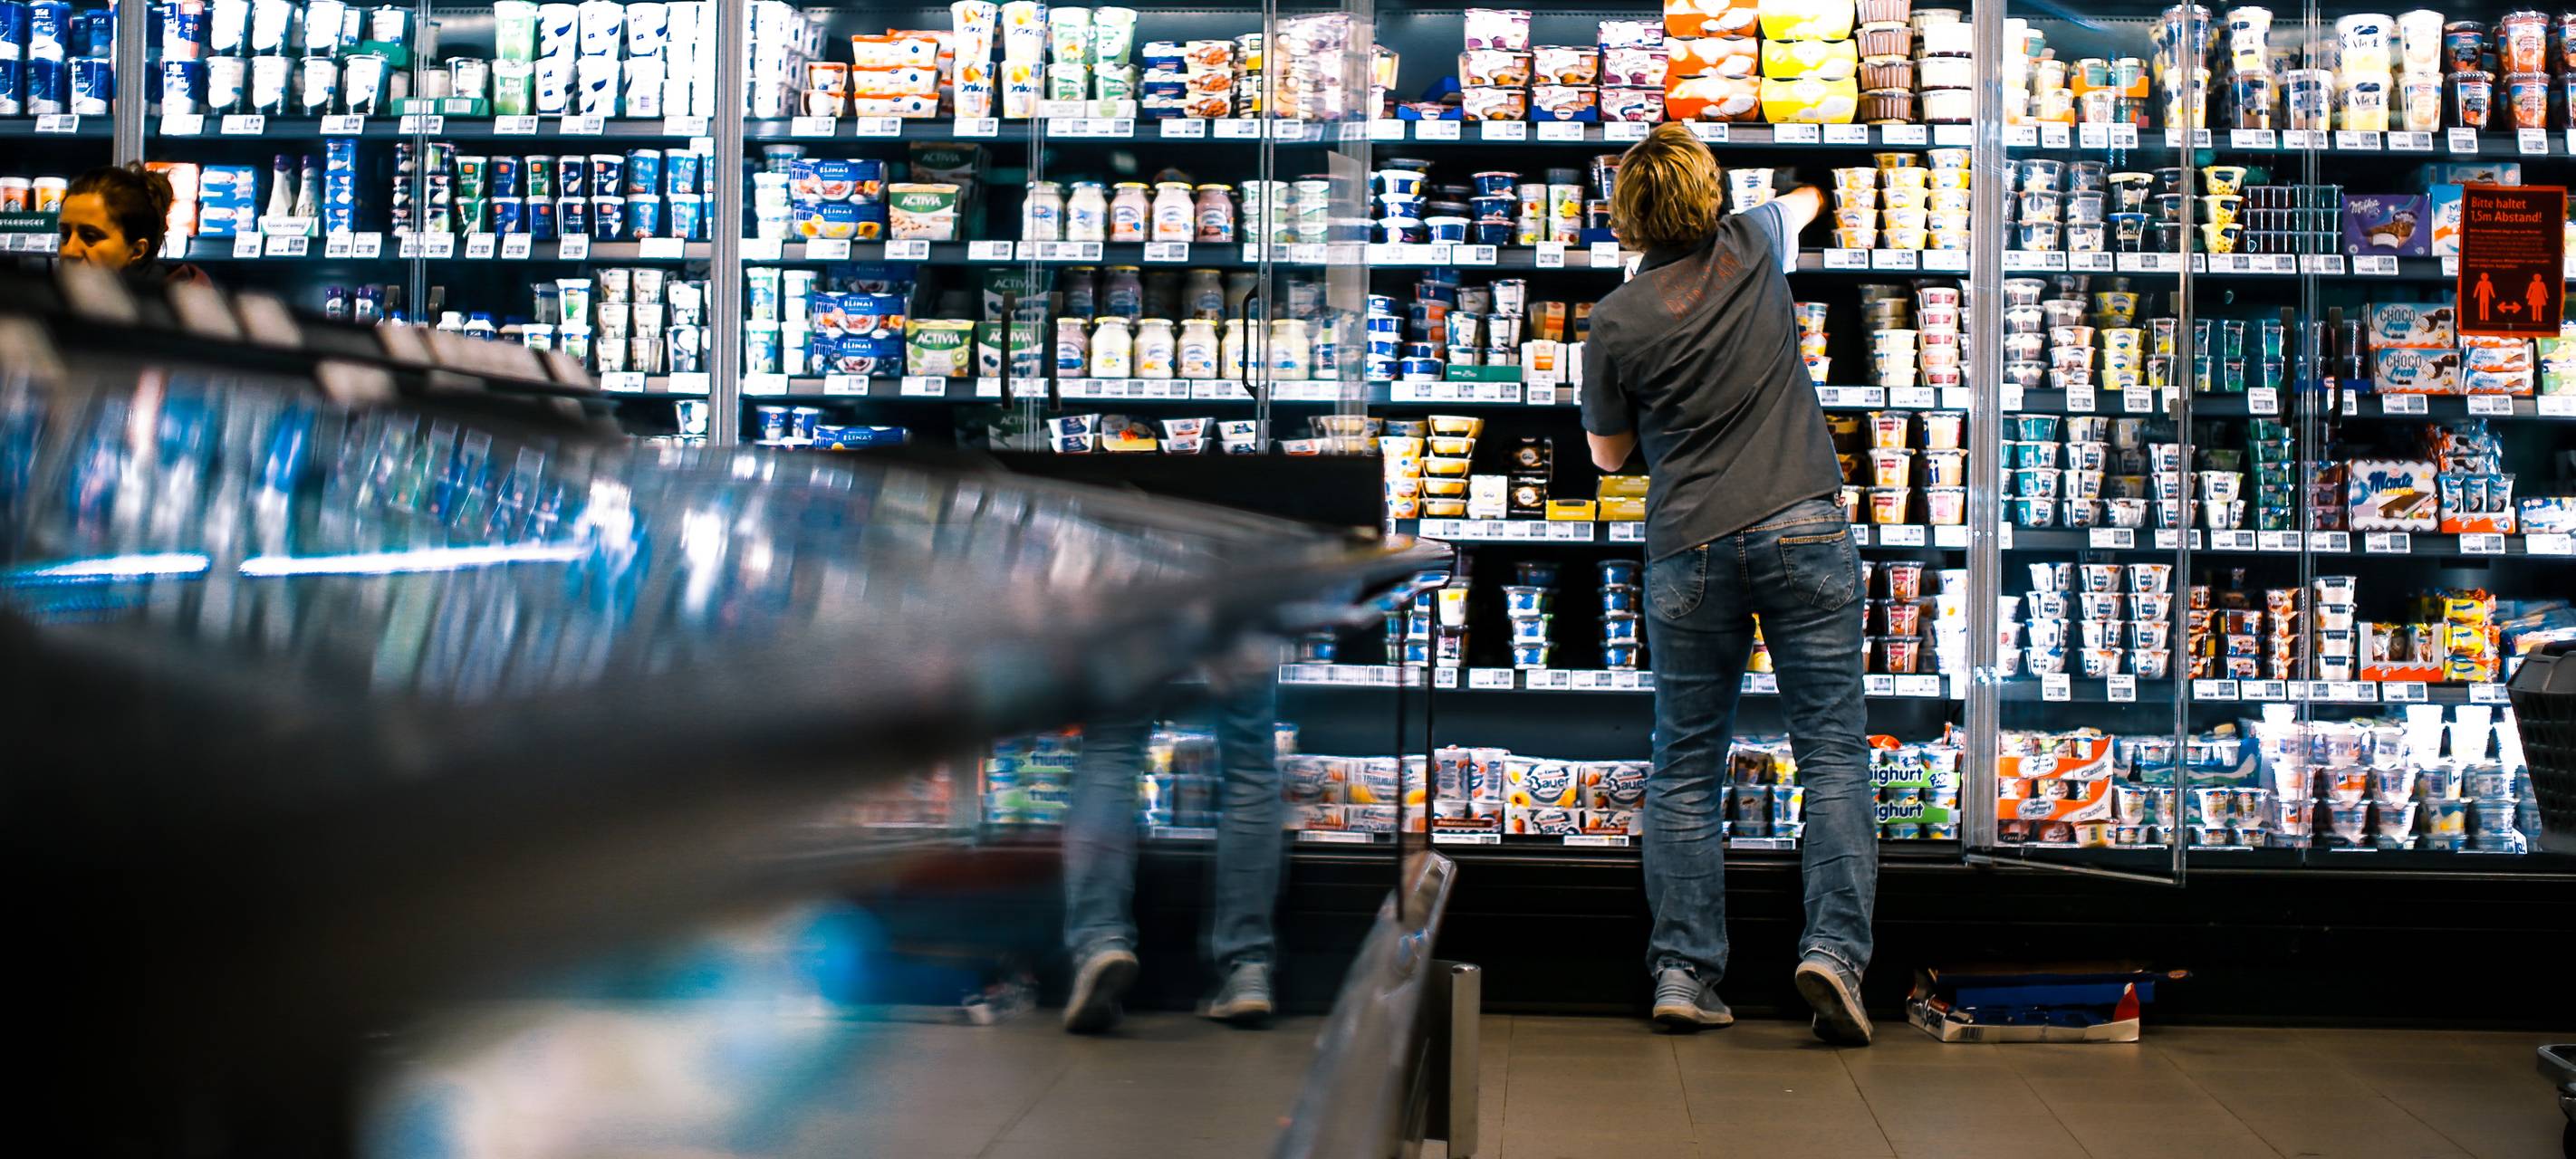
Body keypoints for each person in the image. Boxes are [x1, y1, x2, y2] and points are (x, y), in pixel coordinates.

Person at [1579, 123, 1875, 1045]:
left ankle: (1685, 971)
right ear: (1709, 199)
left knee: (1686, 762)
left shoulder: (1615, 320)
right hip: (1804, 520)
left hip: (1690, 543)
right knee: (1830, 749)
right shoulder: (1754, 240)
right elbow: (1810, 199)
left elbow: (1607, 455)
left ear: (1627, 218)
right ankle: (1832, 953)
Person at [1060, 664, 1283, 1033]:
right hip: (1239, 610)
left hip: (1130, 609)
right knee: (1250, 765)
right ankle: (1247, 968)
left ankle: (1099, 944)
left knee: (1111, 751)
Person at [58, 164, 212, 286]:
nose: (69, 251)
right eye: (65, 235)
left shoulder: (182, 317)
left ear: (137, 250)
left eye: (90, 237)